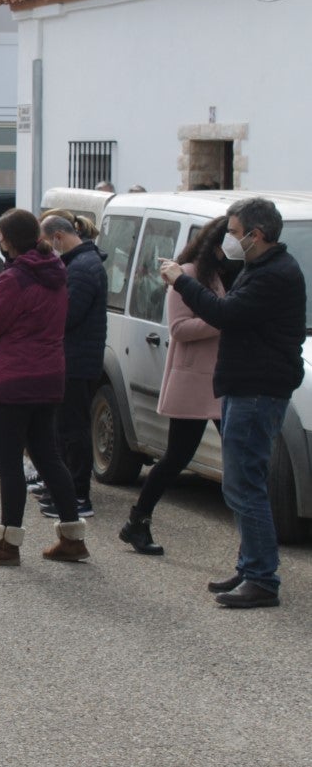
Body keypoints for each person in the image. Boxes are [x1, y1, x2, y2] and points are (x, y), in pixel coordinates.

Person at [159, 197, 306, 608]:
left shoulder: (275, 274)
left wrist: (180, 280)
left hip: (257, 390)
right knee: (240, 485)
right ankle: (249, 567)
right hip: (247, 387)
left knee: (245, 487)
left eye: (236, 232)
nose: (230, 239)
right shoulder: (261, 267)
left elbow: (225, 315)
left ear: (256, 236)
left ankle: (261, 578)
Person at [0, 209, 89, 565]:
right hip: (48, 377)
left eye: (0, 236)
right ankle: (72, 536)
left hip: (13, 380)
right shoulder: (53, 270)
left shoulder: (16, 277)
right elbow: (23, 307)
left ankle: (6, 543)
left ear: (8, 240)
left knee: (9, 463)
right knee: (48, 456)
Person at [121, 218, 232, 556]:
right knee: (176, 457)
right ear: (215, 244)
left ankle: (136, 522)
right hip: (195, 380)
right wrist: (226, 319)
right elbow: (180, 329)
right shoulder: (186, 274)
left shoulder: (225, 274)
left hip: (222, 379)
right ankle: (137, 520)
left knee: (238, 454)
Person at [39, 211, 107, 516]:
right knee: (63, 427)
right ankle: (63, 487)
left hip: (77, 360)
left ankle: (78, 494)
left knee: (73, 429)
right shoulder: (80, 263)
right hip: (75, 357)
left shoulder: (81, 268)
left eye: (47, 242)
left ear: (58, 237)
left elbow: (68, 316)